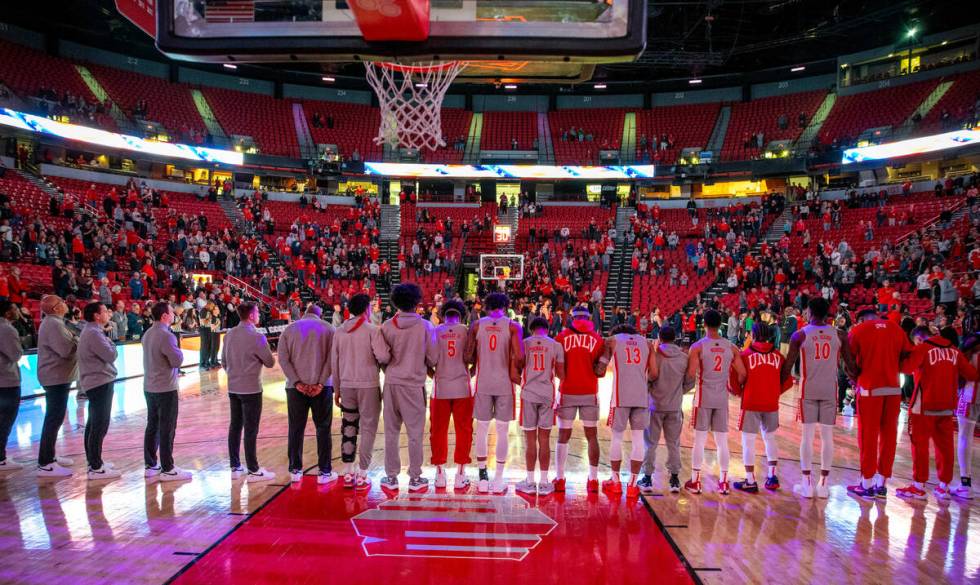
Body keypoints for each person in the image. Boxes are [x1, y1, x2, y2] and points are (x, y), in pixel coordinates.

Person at [782, 297, 854, 498]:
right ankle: (823, 485)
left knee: (807, 436)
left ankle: (806, 483)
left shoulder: (800, 335)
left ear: (809, 312)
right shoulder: (840, 334)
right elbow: (849, 366)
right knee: (827, 437)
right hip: (830, 390)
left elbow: (788, 367)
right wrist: (859, 380)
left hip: (809, 390)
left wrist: (775, 386)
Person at [897, 327, 978, 500]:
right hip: (947, 405)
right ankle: (944, 486)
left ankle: (918, 485)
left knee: (920, 445)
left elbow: (906, 367)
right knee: (945, 447)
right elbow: (972, 374)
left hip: (924, 405)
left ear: (918, 338)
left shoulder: (922, 348)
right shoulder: (954, 350)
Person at [846, 306, 914, 498]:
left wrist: (856, 377)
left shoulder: (859, 330)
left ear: (861, 319)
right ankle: (882, 483)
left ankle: (866, 483)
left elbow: (846, 359)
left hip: (869, 390)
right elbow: (908, 354)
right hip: (893, 389)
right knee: (889, 436)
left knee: (868, 436)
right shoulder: (896, 329)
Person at [465, 292, 523, 494]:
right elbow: (521, 357)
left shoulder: (477, 325)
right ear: (506, 306)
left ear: (487, 307)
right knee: (502, 431)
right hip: (505, 385)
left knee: (481, 430)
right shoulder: (513, 326)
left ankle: (482, 477)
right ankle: (498, 479)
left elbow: (468, 356)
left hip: (483, 384)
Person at [379, 283, 435, 493]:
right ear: (417, 301)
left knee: (391, 432)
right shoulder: (426, 326)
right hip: (413, 385)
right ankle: (415, 477)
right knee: (414, 434)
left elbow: (382, 356)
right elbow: (433, 357)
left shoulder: (387, 326)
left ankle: (391, 477)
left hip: (392, 383)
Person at [684, 309, 746, 495]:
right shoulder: (731, 347)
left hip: (703, 396)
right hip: (721, 397)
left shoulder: (698, 347)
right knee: (722, 442)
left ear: (704, 324)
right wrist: (737, 389)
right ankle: (724, 482)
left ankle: (695, 481)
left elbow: (689, 373)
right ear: (721, 325)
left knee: (700, 440)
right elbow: (742, 373)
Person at [331, 294, 388, 490]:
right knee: (368, 429)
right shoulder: (372, 330)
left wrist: (336, 389)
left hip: (346, 385)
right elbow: (382, 356)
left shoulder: (339, 332)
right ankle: (363, 472)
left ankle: (348, 471)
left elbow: (334, 363)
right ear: (366, 310)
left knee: (348, 425)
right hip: (368, 385)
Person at [278, 304, 336, 484]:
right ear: (321, 315)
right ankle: (324, 471)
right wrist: (320, 382)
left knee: (296, 428)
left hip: (295, 389)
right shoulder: (330, 329)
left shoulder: (289, 329)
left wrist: (297, 382)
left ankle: (295, 470)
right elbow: (332, 359)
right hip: (323, 387)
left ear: (304, 314)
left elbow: (283, 359)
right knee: (323, 429)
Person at [601, 324, 658, 499]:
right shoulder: (647, 343)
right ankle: (633, 485)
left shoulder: (612, 341)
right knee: (638, 439)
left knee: (617, 437)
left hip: (620, 396)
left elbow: (601, 368)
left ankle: (616, 482)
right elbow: (654, 373)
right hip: (641, 397)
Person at [731, 322, 789, 493]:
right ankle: (772, 476)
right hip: (771, 403)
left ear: (753, 336)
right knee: (770, 438)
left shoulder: (745, 355)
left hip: (751, 402)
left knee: (748, 441)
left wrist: (739, 393)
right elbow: (788, 381)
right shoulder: (778, 356)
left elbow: (734, 380)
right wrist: (775, 392)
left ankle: (750, 480)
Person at [553, 305, 605, 493]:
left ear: (572, 318)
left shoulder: (561, 337)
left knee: (563, 436)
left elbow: (556, 366)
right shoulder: (597, 339)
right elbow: (601, 368)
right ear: (589, 318)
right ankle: (593, 480)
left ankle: (559, 479)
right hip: (589, 391)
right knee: (592, 436)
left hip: (568, 390)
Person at [222, 303, 276, 482]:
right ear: (251, 316)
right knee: (251, 429)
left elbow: (224, 362)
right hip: (251, 388)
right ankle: (253, 469)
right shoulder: (257, 337)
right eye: (258, 312)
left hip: (233, 387)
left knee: (235, 427)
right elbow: (269, 362)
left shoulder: (229, 335)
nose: (259, 314)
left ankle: (235, 466)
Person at [425, 300, 474, 490]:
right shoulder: (466, 330)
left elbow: (430, 359)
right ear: (460, 315)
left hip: (441, 388)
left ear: (442, 314)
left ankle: (439, 474)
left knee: (438, 431)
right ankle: (461, 473)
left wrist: (434, 375)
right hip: (463, 387)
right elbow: (473, 357)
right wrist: (469, 373)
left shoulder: (436, 331)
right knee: (464, 430)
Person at [141, 301, 192, 482]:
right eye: (171, 312)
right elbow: (177, 361)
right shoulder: (166, 335)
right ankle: (168, 467)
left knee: (152, 425)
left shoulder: (147, 333)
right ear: (164, 316)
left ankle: (150, 464)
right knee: (167, 427)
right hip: (165, 387)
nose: (174, 314)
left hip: (149, 386)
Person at [515, 316, 564, 496]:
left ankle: (529, 481)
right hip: (547, 395)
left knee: (529, 439)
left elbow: (516, 366)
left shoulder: (524, 343)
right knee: (544, 439)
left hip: (528, 394)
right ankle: (543, 482)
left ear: (532, 329)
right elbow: (561, 373)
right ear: (547, 328)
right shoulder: (555, 345)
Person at [638, 326, 689, 494]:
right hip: (674, 407)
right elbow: (689, 382)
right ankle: (674, 479)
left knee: (650, 443)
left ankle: (647, 477)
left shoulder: (655, 356)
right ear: (675, 338)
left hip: (655, 406)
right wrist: (678, 392)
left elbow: (647, 379)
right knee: (673, 443)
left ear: (659, 337)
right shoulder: (684, 358)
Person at [35, 295, 79, 478]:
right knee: (54, 418)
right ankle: (45, 462)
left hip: (58, 376)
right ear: (55, 308)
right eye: (61, 302)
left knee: (55, 417)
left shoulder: (56, 323)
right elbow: (66, 350)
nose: (64, 303)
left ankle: (50, 456)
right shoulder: (54, 324)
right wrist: (79, 340)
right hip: (55, 377)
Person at [78, 302, 121, 481]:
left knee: (94, 422)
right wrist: (110, 341)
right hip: (99, 381)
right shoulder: (94, 333)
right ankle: (96, 466)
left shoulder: (92, 331)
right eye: (105, 311)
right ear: (96, 315)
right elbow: (111, 355)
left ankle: (94, 461)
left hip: (97, 380)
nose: (108, 314)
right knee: (99, 424)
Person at [955, 334, 980, 498]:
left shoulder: (971, 351)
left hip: (971, 396)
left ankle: (965, 484)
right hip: (973, 395)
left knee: (965, 437)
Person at [0, 301, 23, 471]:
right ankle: (1, 458)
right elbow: (15, 354)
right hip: (6, 379)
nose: (18, 310)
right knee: (5, 420)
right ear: (7, 313)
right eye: (14, 308)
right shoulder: (7, 329)